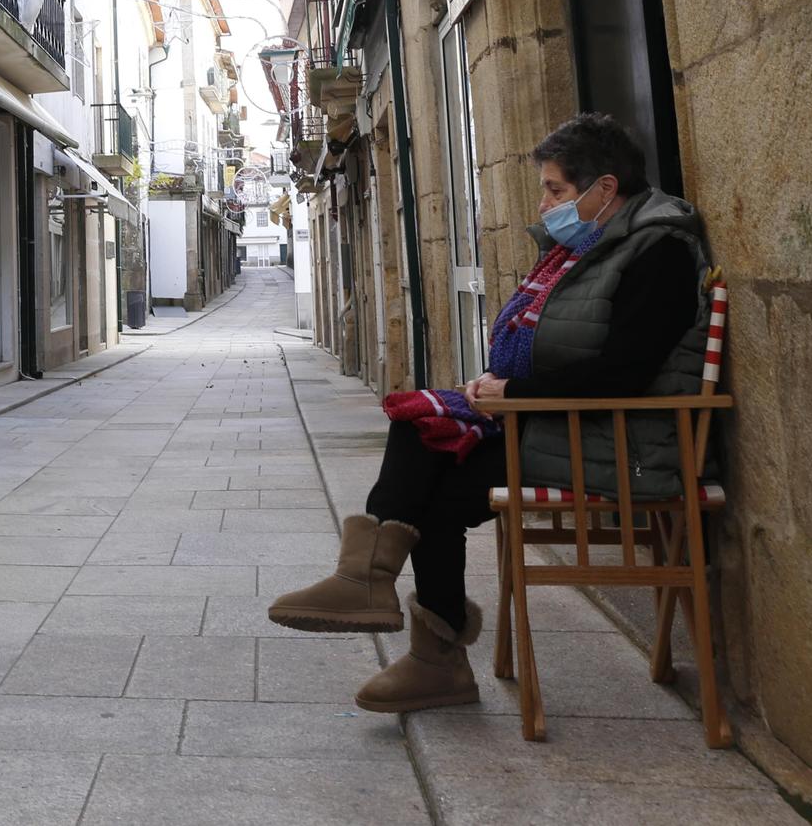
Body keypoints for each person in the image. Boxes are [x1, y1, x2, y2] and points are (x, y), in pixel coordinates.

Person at [266, 113, 713, 714]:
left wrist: (516, 391)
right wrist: (499, 388)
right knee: (421, 425)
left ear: (604, 189)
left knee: (428, 465)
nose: (545, 202)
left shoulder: (658, 253)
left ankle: (412, 633)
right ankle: (395, 613)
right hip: (564, 426)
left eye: (555, 189)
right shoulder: (584, 251)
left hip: (619, 446)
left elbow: (624, 373)